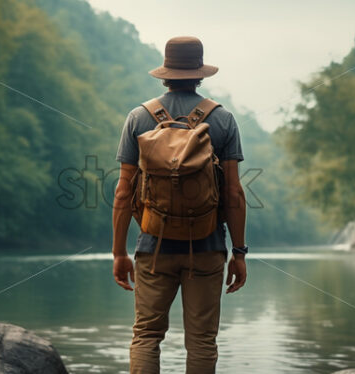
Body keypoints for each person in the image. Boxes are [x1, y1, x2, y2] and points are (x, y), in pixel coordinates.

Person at [112, 35, 248, 374]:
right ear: (200, 74)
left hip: (153, 246)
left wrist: (118, 252)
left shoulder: (139, 118)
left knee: (146, 336)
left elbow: (123, 193)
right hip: (207, 246)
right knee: (202, 340)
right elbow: (233, 194)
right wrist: (239, 253)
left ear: (164, 73)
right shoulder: (222, 120)